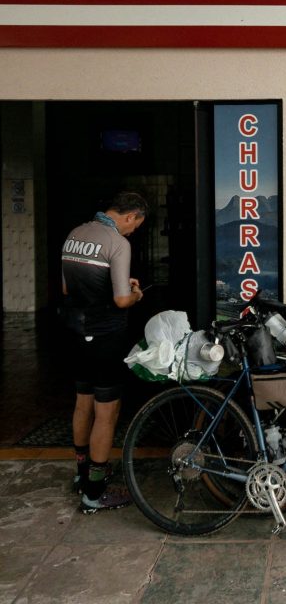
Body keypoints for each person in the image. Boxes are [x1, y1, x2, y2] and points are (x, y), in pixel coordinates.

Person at [61, 191, 148, 514]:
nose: (133, 232)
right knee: (106, 410)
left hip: (74, 331)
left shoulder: (76, 234)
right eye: (135, 225)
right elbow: (122, 301)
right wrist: (135, 294)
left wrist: (116, 283)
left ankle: (82, 474)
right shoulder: (117, 243)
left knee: (82, 402)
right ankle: (95, 492)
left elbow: (68, 289)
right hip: (105, 335)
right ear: (129, 216)